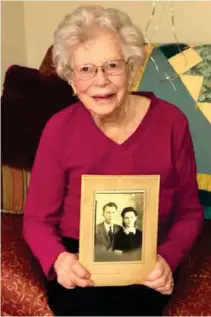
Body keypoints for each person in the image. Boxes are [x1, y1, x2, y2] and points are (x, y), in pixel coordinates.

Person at [23, 5, 203, 316]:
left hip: (147, 257)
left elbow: (189, 213)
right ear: (70, 78)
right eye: (86, 69)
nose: (101, 81)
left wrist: (165, 259)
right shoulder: (59, 128)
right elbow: (37, 220)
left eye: (112, 66)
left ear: (131, 68)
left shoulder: (172, 123)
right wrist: (59, 260)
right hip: (78, 258)